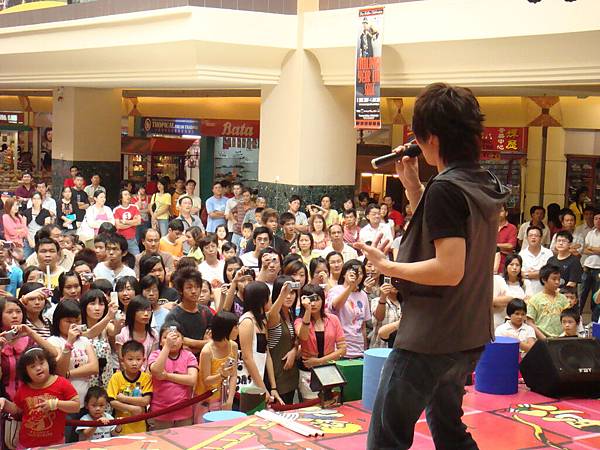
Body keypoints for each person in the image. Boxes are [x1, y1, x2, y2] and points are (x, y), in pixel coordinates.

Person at [355, 83, 509, 449]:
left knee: (385, 438)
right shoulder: (483, 181)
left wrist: (387, 266)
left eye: (419, 136)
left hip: (430, 339)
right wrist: (413, 188)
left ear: (432, 140)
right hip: (469, 332)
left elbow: (449, 268)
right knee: (448, 427)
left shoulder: (446, 188)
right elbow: (454, 225)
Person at [0, 348, 80, 448]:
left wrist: (56, 404)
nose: (38, 368)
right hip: (26, 444)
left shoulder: (62, 383)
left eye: (42, 363)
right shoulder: (24, 388)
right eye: (32, 366)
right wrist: (4, 402)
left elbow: (76, 406)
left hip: (55, 445)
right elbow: (17, 409)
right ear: (26, 371)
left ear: (49, 363)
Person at [295, 284, 346, 400]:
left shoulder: (333, 319)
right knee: (311, 409)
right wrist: (307, 311)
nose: (313, 303)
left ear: (323, 300)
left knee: (331, 406)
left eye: (316, 299)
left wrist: (319, 361)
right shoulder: (299, 321)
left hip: (329, 370)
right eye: (309, 299)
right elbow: (303, 336)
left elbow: (343, 350)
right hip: (307, 372)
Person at [237, 281, 283, 404]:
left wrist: (273, 387)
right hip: (248, 381)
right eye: (268, 297)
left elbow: (266, 353)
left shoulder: (262, 321)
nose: (270, 301)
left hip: (261, 377)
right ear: (261, 300)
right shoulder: (247, 321)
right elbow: (247, 358)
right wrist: (262, 389)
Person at [148, 322, 198, 430]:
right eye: (166, 337)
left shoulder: (189, 355)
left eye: (176, 337)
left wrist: (167, 376)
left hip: (184, 412)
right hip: (161, 412)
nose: (172, 340)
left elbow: (192, 380)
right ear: (160, 341)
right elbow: (156, 371)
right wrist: (167, 346)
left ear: (183, 339)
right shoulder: (155, 354)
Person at [196, 311, 238, 417]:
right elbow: (206, 380)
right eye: (235, 327)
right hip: (206, 400)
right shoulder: (207, 351)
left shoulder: (233, 346)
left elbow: (234, 374)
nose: (238, 330)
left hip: (225, 397)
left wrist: (230, 400)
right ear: (226, 329)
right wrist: (222, 375)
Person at [107, 340, 153, 435]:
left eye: (138, 359)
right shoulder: (116, 377)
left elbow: (146, 400)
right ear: (123, 360)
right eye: (130, 359)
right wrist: (132, 409)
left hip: (140, 426)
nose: (134, 363)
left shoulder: (146, 378)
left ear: (144, 360)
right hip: (120, 426)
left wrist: (123, 398)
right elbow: (112, 401)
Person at [325, 260, 370, 358]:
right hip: (339, 347)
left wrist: (365, 349)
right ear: (344, 274)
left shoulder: (363, 295)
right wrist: (350, 287)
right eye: (354, 272)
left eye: (361, 273)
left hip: (358, 348)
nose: (357, 275)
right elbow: (336, 306)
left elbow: (363, 325)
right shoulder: (335, 290)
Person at [165, 268, 213, 356]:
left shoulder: (206, 312)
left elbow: (213, 342)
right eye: (189, 288)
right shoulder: (173, 316)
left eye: (197, 287)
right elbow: (175, 343)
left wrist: (188, 341)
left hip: (206, 359)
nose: (194, 291)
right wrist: (204, 343)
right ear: (180, 290)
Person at [266, 277, 299, 404]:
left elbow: (297, 339)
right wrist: (282, 294)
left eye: (292, 293)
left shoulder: (291, 314)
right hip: (276, 377)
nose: (289, 296)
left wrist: (294, 350)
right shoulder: (274, 315)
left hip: (291, 376)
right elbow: (270, 315)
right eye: (286, 293)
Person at [80, 289, 120, 388]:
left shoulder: (107, 326)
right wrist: (108, 317)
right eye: (92, 304)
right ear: (84, 306)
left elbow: (115, 331)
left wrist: (118, 321)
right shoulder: (79, 327)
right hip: (85, 379)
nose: (97, 308)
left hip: (105, 377)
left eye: (101, 304)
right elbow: (90, 333)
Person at [526, 264, 570, 339]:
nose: (557, 282)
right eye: (554, 279)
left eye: (559, 279)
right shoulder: (534, 300)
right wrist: (543, 338)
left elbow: (568, 318)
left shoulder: (564, 299)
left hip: (561, 338)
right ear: (544, 279)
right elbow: (530, 322)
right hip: (542, 339)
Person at [115, 296, 158, 368]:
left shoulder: (154, 334)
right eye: (141, 310)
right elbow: (122, 362)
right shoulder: (123, 334)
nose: (146, 314)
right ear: (132, 312)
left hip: (147, 376)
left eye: (149, 310)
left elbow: (152, 361)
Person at [492, 254, 527, 328]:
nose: (514, 268)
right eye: (511, 264)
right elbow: (492, 301)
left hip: (518, 323)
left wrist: (505, 300)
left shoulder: (525, 283)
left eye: (517, 265)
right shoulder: (498, 280)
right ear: (506, 266)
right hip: (498, 321)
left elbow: (528, 302)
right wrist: (516, 301)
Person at [519, 226, 553, 296]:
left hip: (544, 292)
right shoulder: (522, 254)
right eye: (530, 235)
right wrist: (539, 273)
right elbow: (519, 273)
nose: (533, 237)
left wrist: (527, 274)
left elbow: (548, 273)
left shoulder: (548, 253)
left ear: (541, 238)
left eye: (536, 235)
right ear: (527, 238)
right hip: (527, 293)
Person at [370, 277, 401, 349]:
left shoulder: (403, 303)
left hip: (397, 348)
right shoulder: (376, 301)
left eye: (398, 282)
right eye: (392, 282)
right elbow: (379, 317)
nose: (395, 285)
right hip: (379, 347)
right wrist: (383, 297)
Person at [581, 209, 600, 317]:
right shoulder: (590, 233)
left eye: (599, 219)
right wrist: (595, 249)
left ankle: (594, 322)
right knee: (582, 294)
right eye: (596, 219)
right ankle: (577, 319)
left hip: (599, 270)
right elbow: (585, 249)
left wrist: (591, 248)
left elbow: (589, 248)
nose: (597, 221)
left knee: (596, 297)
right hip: (587, 268)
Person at [23, 192, 52, 258]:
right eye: (34, 199)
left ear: (41, 200)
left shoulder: (46, 212)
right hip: (28, 240)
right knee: (26, 259)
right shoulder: (26, 212)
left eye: (38, 199)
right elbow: (24, 227)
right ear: (32, 200)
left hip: (41, 240)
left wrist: (38, 240)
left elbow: (46, 228)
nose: (36, 201)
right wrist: (30, 240)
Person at [113, 189, 142, 257]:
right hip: (120, 240)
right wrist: (132, 223)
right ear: (121, 198)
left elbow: (138, 222)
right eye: (125, 195)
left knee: (137, 258)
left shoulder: (134, 207)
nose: (128, 196)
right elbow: (118, 226)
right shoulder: (116, 209)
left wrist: (124, 222)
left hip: (132, 239)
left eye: (129, 194)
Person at [496, 204, 517, 273]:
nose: (498, 213)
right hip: (489, 263)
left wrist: (493, 246)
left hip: (504, 264)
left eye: (501, 211)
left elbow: (511, 245)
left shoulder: (512, 228)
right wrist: (502, 248)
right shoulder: (489, 227)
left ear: (506, 213)